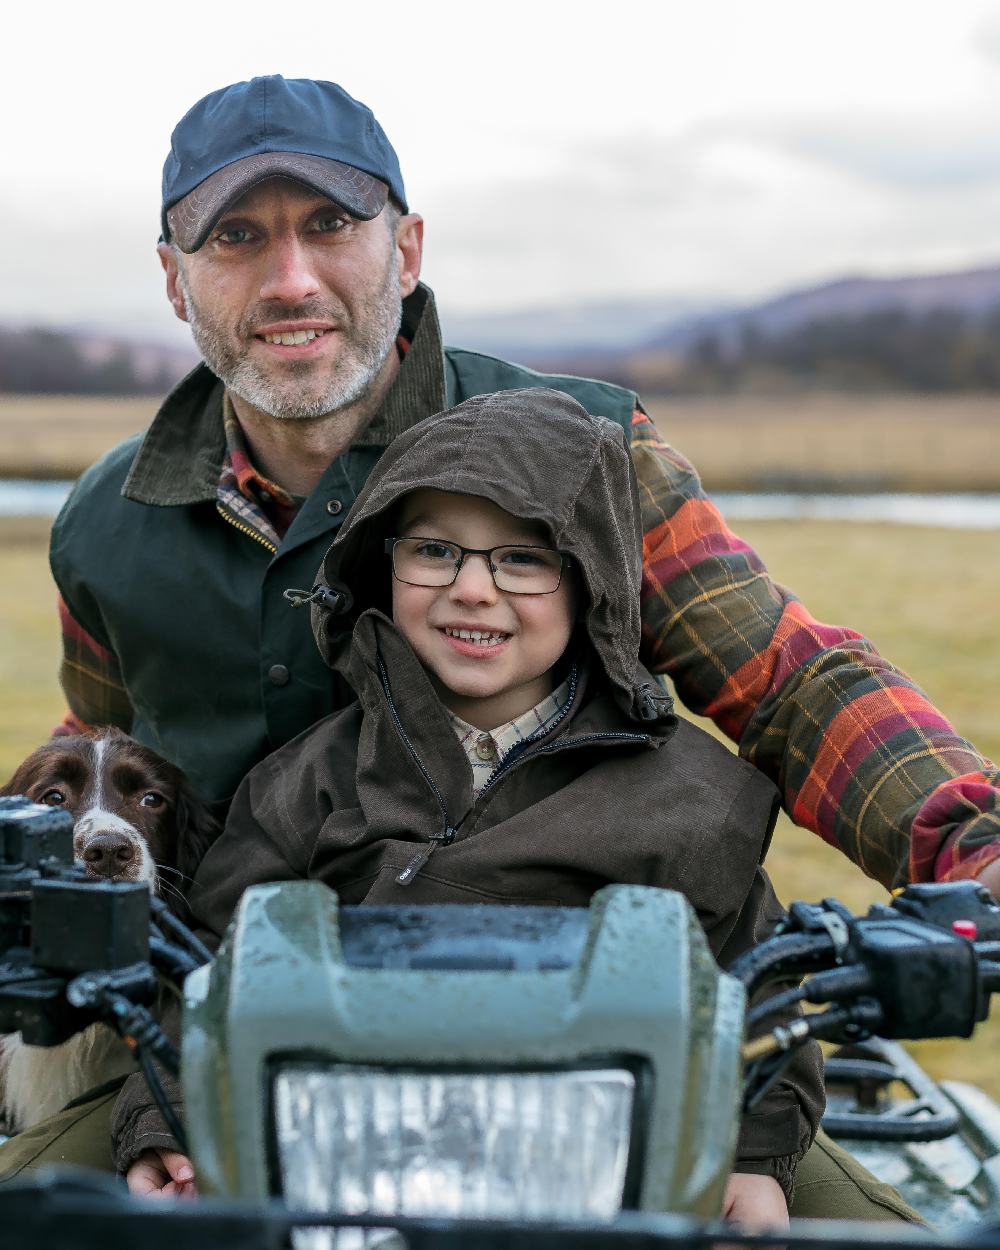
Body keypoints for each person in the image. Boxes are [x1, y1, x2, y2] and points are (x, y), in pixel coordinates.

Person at [48, 74, 1000, 902]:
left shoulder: (587, 450)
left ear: (407, 249)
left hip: (561, 998)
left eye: (331, 225)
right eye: (236, 237)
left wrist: (974, 851)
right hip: (215, 1013)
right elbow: (103, 736)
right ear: (175, 281)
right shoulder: (102, 522)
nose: (290, 279)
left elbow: (785, 679)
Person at [118, 388, 825, 1225]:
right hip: (342, 1176)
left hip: (607, 1181)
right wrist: (169, 1120)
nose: (474, 591)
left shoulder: (692, 798)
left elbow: (760, 996)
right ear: (385, 564)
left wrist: (753, 1160)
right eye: (435, 552)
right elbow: (202, 965)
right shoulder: (305, 781)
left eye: (523, 559)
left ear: (591, 580)